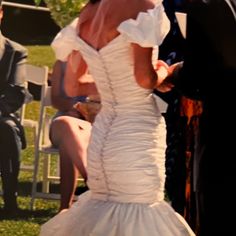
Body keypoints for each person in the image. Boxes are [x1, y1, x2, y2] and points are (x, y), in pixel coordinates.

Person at [40, 0, 195, 235]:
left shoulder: (88, 12)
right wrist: (165, 70)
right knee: (138, 212)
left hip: (103, 133)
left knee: (102, 207)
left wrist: (115, 85)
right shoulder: (143, 4)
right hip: (135, 131)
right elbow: (145, 79)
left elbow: (73, 86)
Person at [160, 0, 236, 235]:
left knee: (218, 218)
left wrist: (174, 73)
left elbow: (198, 78)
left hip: (223, 139)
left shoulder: (205, 6)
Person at [49, 59, 99, 212]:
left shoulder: (103, 61)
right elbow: (55, 99)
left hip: (92, 124)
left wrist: (88, 110)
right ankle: (90, 178)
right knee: (66, 125)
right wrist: (72, 107)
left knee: (68, 145)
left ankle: (64, 208)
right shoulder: (62, 64)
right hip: (64, 117)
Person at [0, 0, 29, 215]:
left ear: (0, 13)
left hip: (2, 115)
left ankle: (10, 199)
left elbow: (15, 93)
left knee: (7, 129)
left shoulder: (15, 51)